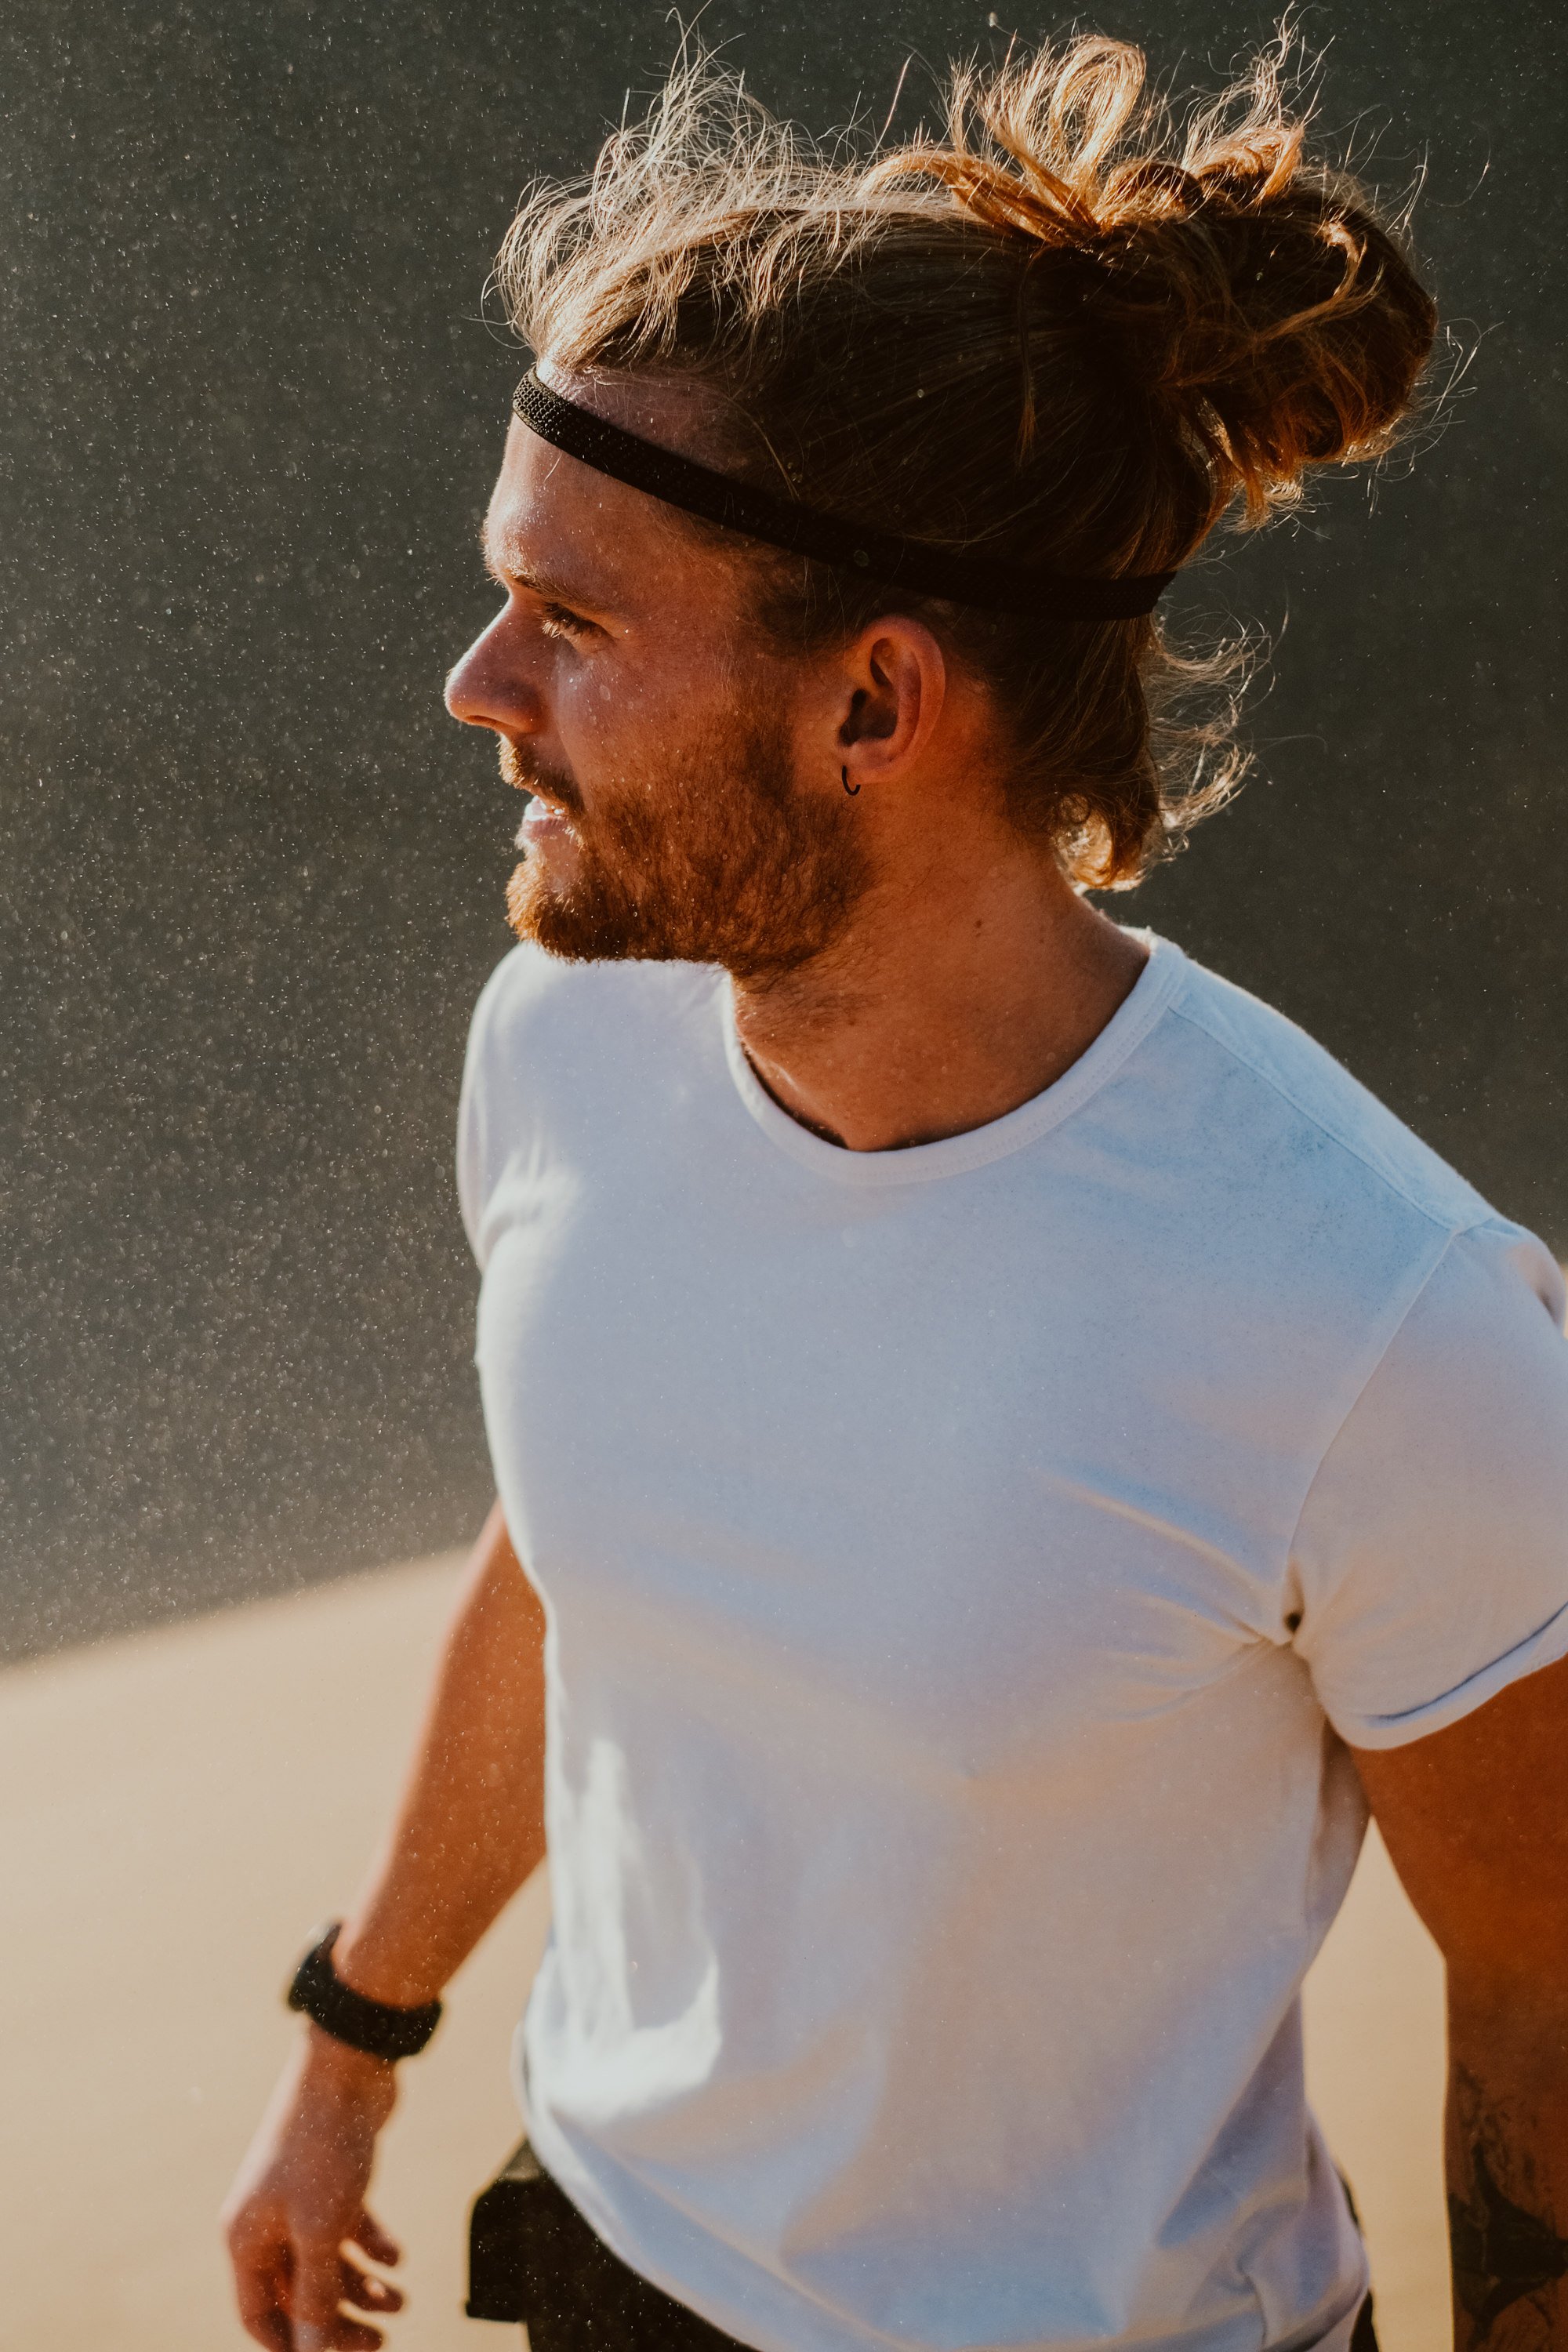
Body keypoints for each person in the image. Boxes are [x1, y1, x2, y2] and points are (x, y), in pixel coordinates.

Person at [222, 34, 1568, 2352]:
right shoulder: (564, 1045)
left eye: (573, 622)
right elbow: (583, 1544)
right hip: (607, 2271)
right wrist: (352, 2047)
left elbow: (1544, 2001)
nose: (473, 683)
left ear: (873, 706)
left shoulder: (1375, 1314)